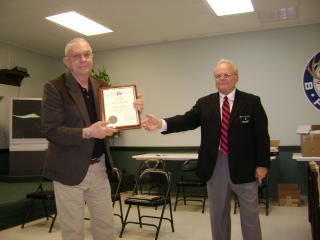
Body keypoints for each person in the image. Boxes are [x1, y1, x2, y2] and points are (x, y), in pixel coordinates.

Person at [142, 59, 270, 240]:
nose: (222, 78)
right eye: (218, 76)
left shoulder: (252, 102)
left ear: (236, 78)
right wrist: (161, 123)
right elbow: (187, 120)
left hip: (246, 166)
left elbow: (262, 136)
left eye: (227, 75)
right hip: (214, 165)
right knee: (218, 215)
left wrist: (262, 165)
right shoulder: (205, 103)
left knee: (250, 216)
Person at [41, 38, 143, 240]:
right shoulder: (55, 87)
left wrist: (132, 110)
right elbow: (50, 130)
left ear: (92, 58)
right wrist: (87, 132)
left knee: (106, 227)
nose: (83, 59)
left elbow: (113, 120)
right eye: (76, 56)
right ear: (66, 61)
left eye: (87, 54)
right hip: (68, 170)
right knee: (73, 231)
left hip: (99, 168)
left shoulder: (102, 86)